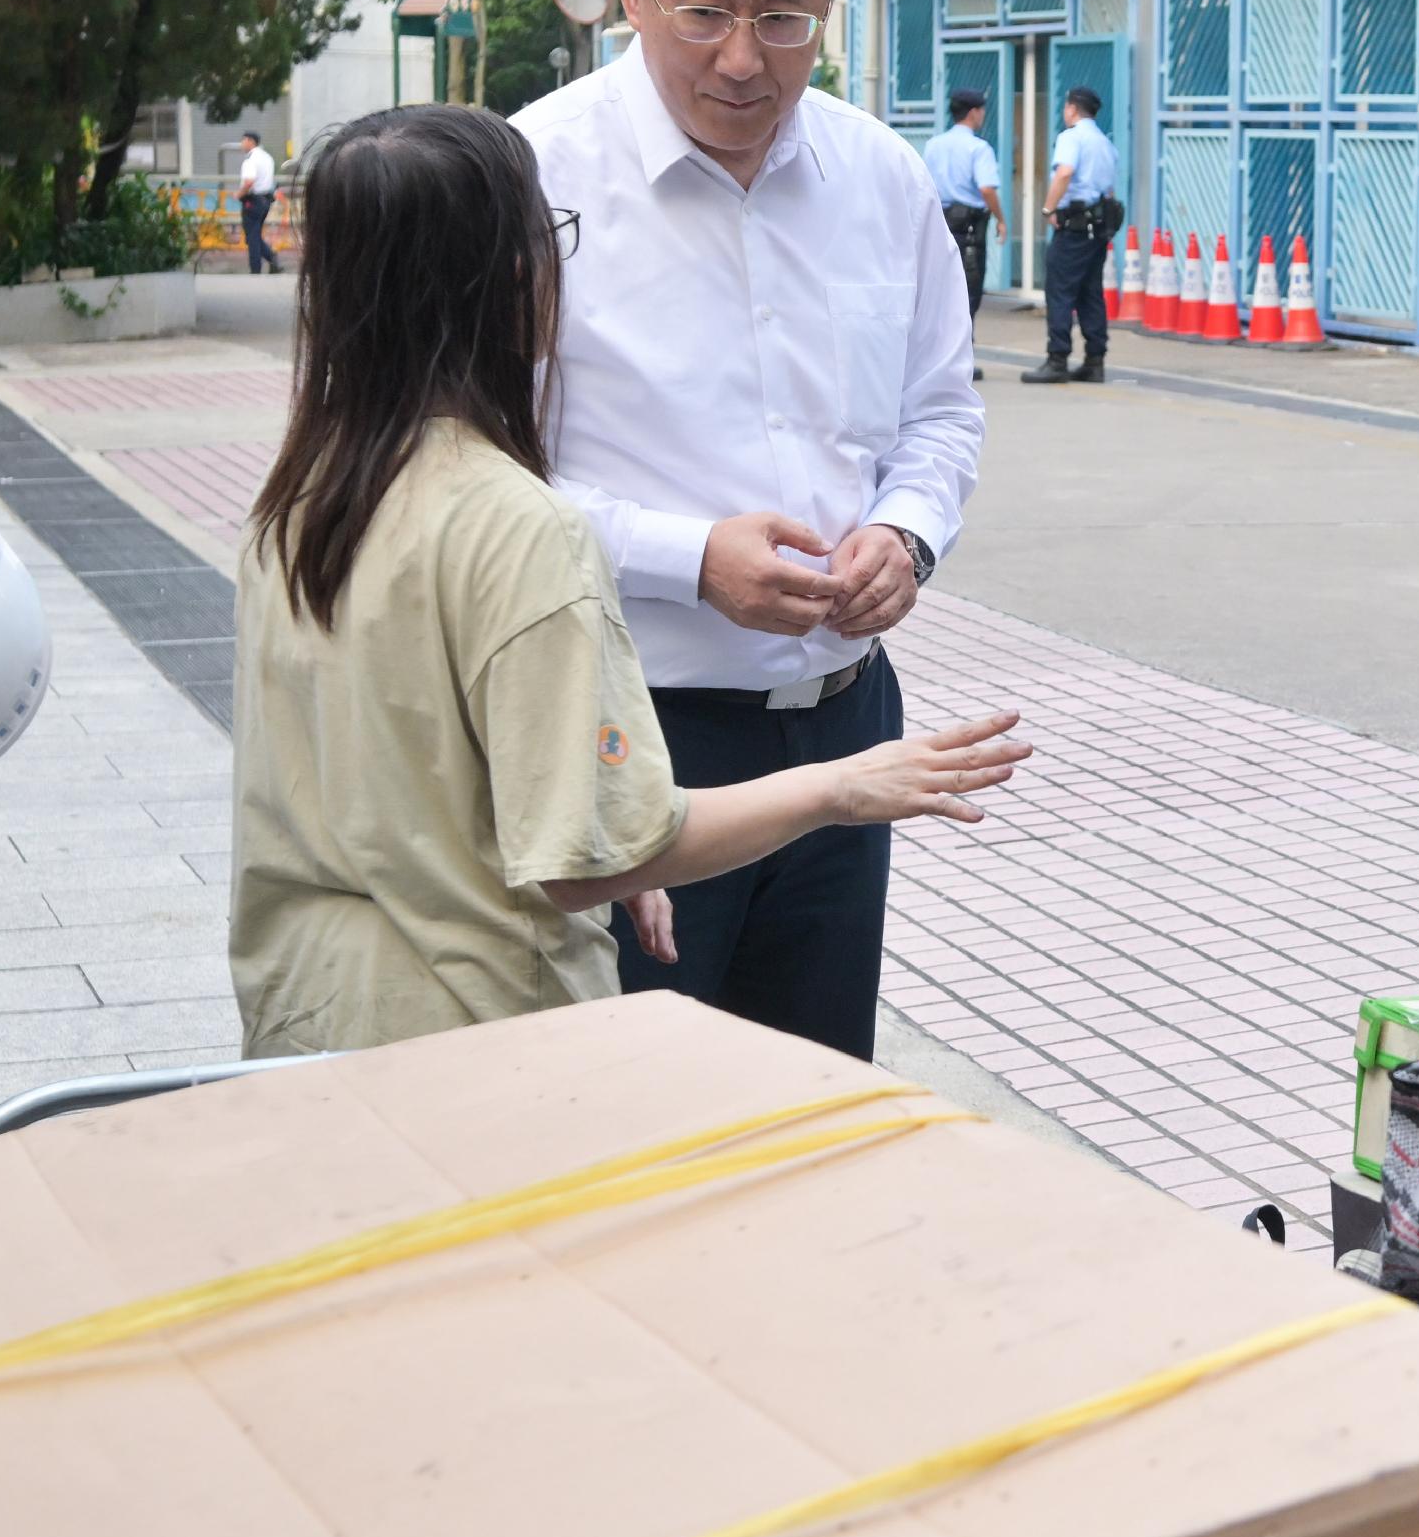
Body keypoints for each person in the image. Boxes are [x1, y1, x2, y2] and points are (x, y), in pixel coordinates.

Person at [232, 106, 1026, 1052]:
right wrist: (844, 786)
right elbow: (580, 862)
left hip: (313, 1010)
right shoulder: (519, 526)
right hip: (476, 1032)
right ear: (507, 274)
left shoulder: (302, 504)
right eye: (548, 235)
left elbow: (411, 769)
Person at [512, 0, 983, 1060]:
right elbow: (470, 484)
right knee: (634, 1114)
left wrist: (906, 533)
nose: (740, 58)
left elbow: (941, 408)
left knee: (814, 1099)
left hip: (843, 724)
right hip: (626, 727)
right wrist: (687, 558)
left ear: (834, 3)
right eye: (701, 9)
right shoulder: (525, 180)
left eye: (784, 18)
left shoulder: (880, 179)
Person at [1020, 84, 1121, 385]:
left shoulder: (1071, 138)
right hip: (1098, 228)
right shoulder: (1106, 144)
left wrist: (1048, 209)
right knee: (1091, 293)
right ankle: (1095, 360)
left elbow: (1064, 173)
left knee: (1060, 291)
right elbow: (1110, 190)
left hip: (1074, 227)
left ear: (1072, 109)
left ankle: (1057, 359)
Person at [923, 87, 1001, 382]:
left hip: (942, 225)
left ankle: (940, 359)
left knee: (941, 291)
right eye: (981, 110)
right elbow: (986, 189)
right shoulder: (979, 149)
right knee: (968, 294)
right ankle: (961, 360)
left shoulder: (933, 145)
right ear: (973, 112)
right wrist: (1001, 217)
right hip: (970, 228)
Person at [236, 129, 281, 272]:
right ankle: (273, 260)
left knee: (252, 237)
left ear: (250, 141)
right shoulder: (267, 157)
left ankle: (256, 269)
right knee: (254, 234)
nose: (241, 144)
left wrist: (238, 194)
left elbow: (249, 182)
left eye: (243, 140)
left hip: (253, 201)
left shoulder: (250, 160)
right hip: (266, 200)